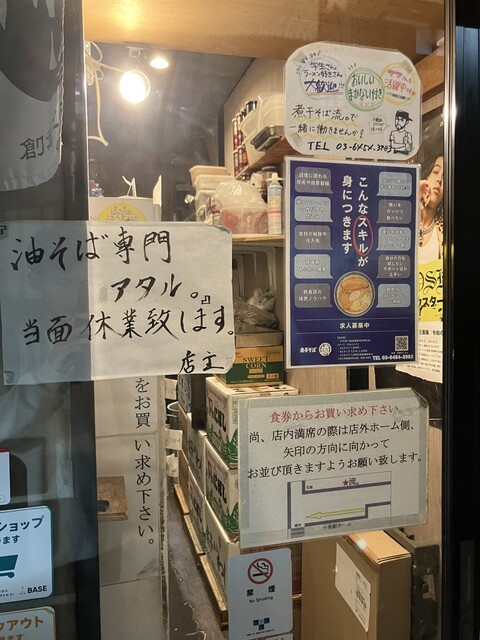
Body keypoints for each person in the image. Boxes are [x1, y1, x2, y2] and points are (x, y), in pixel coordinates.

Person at [418, 155, 444, 262]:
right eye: (436, 172)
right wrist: (415, 195)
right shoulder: (406, 218)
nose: (439, 180)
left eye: (445, 177)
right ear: (426, 175)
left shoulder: (444, 232)